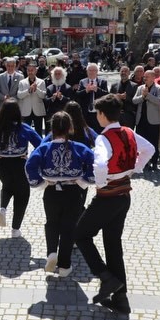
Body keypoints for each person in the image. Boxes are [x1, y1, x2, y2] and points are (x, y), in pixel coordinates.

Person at [74, 94, 154, 315]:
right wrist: (133, 169)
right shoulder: (129, 132)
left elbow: (99, 163)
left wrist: (102, 181)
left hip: (108, 196)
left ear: (102, 114)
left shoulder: (103, 138)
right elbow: (150, 149)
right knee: (113, 245)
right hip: (124, 196)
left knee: (80, 235)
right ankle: (121, 299)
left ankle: (105, 277)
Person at [25, 111, 95, 277]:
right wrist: (83, 181)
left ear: (52, 128)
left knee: (51, 222)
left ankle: (51, 253)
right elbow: (96, 162)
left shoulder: (44, 148)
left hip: (51, 191)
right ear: (70, 128)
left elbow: (29, 166)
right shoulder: (79, 148)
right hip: (73, 192)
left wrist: (41, 183)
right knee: (69, 227)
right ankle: (64, 265)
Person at [0, 98, 42, 238]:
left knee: (7, 186)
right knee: (22, 195)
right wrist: (32, 158)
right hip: (20, 163)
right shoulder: (24, 128)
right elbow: (41, 144)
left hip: (2, 164)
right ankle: (15, 229)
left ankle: (3, 209)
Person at [132, 70, 160, 171]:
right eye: (144, 77)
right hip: (141, 120)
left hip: (153, 121)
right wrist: (143, 96)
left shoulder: (159, 88)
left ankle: (154, 162)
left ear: (153, 77)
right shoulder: (140, 88)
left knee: (153, 142)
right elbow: (134, 100)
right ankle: (143, 163)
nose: (145, 78)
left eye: (147, 77)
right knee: (141, 143)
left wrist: (148, 95)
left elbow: (158, 101)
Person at [75, 63, 109, 132]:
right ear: (87, 72)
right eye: (90, 70)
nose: (92, 72)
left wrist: (97, 90)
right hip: (86, 113)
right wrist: (86, 90)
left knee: (99, 132)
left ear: (97, 72)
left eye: (94, 70)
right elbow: (77, 95)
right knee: (87, 133)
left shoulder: (102, 82)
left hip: (98, 113)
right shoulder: (82, 82)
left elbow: (107, 95)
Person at [17, 63, 47, 135]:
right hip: (26, 111)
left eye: (32, 70)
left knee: (38, 132)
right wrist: (28, 91)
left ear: (35, 71)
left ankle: (39, 146)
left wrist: (36, 89)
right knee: (25, 133)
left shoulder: (41, 82)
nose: (30, 72)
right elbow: (19, 95)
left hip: (38, 111)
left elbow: (43, 95)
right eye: (28, 70)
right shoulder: (22, 82)